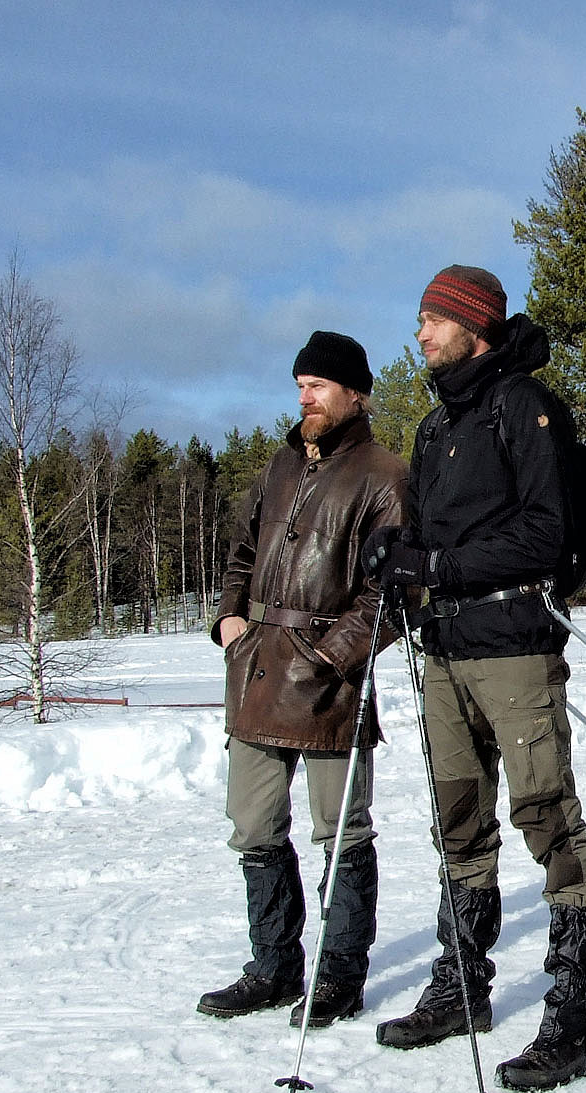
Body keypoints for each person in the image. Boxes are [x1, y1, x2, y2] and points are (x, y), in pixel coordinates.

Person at [362, 265, 586, 1093]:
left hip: (514, 649)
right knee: (458, 819)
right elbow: (430, 543)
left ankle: (573, 1007)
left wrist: (441, 562)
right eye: (421, 319)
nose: (422, 334)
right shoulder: (436, 427)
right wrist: (401, 565)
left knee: (546, 816)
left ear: (474, 325)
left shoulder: (526, 408)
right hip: (444, 652)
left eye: (433, 319)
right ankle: (461, 983)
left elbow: (546, 535)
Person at [197, 330, 408, 1030]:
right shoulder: (280, 465)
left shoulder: (384, 475)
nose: (305, 396)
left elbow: (392, 593)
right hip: (256, 671)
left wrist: (330, 659)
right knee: (253, 825)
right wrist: (230, 618)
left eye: (318, 385)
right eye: (299, 385)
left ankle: (341, 976)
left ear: (356, 393)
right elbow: (242, 549)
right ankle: (274, 965)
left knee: (341, 831)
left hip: (327, 682)